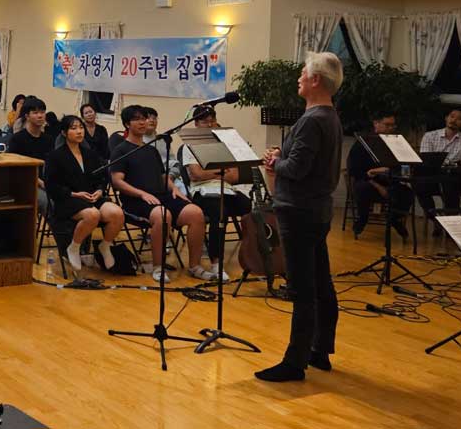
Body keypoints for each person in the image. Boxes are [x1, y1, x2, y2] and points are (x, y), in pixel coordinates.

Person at [255, 52, 344, 383]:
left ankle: (295, 362)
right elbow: (306, 160)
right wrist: (283, 155)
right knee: (321, 282)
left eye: (303, 73)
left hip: (298, 211)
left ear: (315, 80)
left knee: (303, 288)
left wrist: (274, 163)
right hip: (317, 209)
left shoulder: (311, 119)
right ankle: (320, 350)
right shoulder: (329, 116)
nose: (299, 78)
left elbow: (297, 169)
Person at [109, 105, 207, 282]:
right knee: (163, 215)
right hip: (136, 201)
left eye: (144, 118)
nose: (143, 122)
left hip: (160, 196)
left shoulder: (151, 149)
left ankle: (195, 266)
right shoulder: (120, 150)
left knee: (196, 213)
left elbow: (163, 177)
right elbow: (117, 181)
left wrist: (174, 189)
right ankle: (158, 267)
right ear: (127, 124)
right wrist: (141, 194)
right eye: (137, 119)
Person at [181, 106, 251, 281]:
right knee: (219, 213)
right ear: (196, 124)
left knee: (248, 206)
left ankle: (252, 255)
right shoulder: (190, 145)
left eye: (212, 121)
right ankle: (216, 263)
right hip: (203, 191)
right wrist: (221, 172)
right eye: (204, 121)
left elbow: (234, 176)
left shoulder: (225, 144)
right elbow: (196, 175)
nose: (209, 124)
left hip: (227, 190)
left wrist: (211, 172)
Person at [46, 115, 124, 270]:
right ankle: (74, 247)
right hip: (68, 199)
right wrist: (74, 194)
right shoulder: (55, 156)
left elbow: (102, 177)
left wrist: (100, 190)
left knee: (117, 213)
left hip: (92, 197)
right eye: (74, 128)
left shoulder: (90, 154)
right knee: (92, 215)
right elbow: (52, 185)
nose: (79, 131)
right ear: (64, 133)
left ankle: (105, 245)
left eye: (81, 127)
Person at [347, 111, 415, 238]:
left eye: (393, 125)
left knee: (408, 193)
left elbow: (402, 167)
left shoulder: (396, 143)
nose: (391, 128)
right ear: (376, 124)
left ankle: (394, 219)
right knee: (363, 188)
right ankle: (362, 219)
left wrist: (404, 171)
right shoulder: (363, 143)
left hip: (390, 181)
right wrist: (377, 184)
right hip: (368, 181)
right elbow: (354, 169)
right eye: (387, 125)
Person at [415, 108, 461, 217]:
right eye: (452, 116)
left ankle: (450, 220)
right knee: (418, 184)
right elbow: (426, 159)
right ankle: (434, 218)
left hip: (452, 176)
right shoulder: (430, 136)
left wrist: (460, 165)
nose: (454, 120)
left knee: (451, 183)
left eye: (459, 119)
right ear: (446, 118)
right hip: (432, 176)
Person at [7, 97, 57, 213]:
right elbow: (16, 168)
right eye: (35, 113)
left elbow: (52, 165)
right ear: (27, 116)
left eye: (42, 112)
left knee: (68, 200)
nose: (40, 116)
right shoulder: (17, 139)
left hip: (46, 182)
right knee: (48, 203)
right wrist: (40, 182)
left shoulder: (49, 139)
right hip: (25, 183)